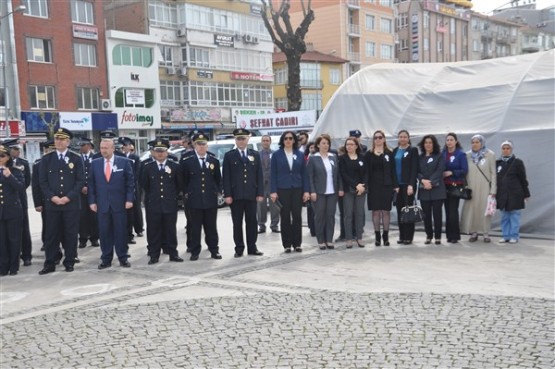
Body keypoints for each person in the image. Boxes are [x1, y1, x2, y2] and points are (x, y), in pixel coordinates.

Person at [38, 128, 85, 274]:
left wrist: (67, 197)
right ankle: (50, 263)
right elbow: (43, 182)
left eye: (62, 139)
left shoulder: (76, 158)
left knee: (70, 234)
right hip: (52, 205)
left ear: (68, 142)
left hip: (70, 204)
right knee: (51, 235)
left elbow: (80, 181)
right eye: (57, 139)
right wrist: (53, 197)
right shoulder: (46, 159)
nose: (58, 141)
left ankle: (69, 261)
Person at [88, 138, 135, 269]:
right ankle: (106, 259)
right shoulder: (95, 163)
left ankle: (123, 257)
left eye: (106, 148)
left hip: (119, 204)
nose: (103, 150)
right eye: (102, 148)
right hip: (102, 204)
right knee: (104, 232)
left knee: (120, 231)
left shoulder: (124, 162)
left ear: (113, 149)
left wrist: (129, 199)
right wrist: (92, 201)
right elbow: (91, 184)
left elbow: (130, 183)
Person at [140, 139, 184, 264]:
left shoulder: (174, 166)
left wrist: (171, 195)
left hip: (170, 203)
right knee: (154, 230)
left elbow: (179, 184)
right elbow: (144, 184)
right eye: (157, 151)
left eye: (162, 151)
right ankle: (154, 255)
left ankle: (173, 254)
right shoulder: (147, 167)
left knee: (170, 229)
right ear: (153, 152)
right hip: (153, 203)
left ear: (167, 152)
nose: (160, 154)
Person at [222, 128, 265, 258]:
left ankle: (252, 247)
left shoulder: (255, 155)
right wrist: (227, 195)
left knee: (252, 222)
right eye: (238, 139)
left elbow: (259, 175)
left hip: (251, 195)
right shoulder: (229, 156)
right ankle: (239, 248)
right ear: (235, 140)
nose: (241, 141)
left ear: (248, 139)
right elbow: (226, 177)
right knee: (237, 223)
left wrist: (260, 193)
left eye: (243, 138)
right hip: (236, 196)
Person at [181, 133, 222, 260]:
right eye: (199, 144)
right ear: (194, 145)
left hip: (210, 199)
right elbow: (183, 180)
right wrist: (187, 193)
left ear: (207, 145)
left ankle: (214, 250)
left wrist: (218, 192)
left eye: (204, 144)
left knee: (211, 226)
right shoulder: (187, 161)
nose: (201, 147)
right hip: (194, 199)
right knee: (195, 227)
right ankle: (195, 251)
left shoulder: (213, 160)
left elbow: (218, 179)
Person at [270, 131, 310, 252]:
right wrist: (273, 191)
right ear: (282, 141)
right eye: (285, 138)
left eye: (290, 138)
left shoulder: (300, 154)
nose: (288, 140)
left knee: (297, 216)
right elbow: (273, 174)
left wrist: (306, 191)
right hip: (283, 189)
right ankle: (287, 244)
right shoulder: (277, 155)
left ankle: (297, 243)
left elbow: (304, 174)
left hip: (297, 188)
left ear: (294, 140)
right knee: (285, 216)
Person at [307, 134, 343, 249]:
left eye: (327, 143)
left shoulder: (333, 157)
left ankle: (329, 239)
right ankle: (321, 240)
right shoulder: (313, 158)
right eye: (323, 143)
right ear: (318, 145)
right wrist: (312, 191)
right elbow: (310, 177)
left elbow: (338, 175)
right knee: (320, 216)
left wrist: (340, 189)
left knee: (330, 216)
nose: (325, 145)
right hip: (319, 192)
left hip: (332, 192)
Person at [460, 135, 497, 243]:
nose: (475, 144)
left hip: (485, 186)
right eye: (473, 142)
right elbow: (464, 172)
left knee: (484, 209)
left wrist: (493, 190)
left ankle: (486, 233)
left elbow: (493, 173)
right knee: (472, 209)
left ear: (482, 143)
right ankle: (474, 232)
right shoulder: (467, 155)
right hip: (471, 186)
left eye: (477, 142)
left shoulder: (490, 154)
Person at [364, 130, 398, 246]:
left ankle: (386, 236)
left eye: (380, 137)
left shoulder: (389, 153)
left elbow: (393, 170)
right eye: (376, 138)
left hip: (386, 185)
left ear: (384, 139)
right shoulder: (369, 154)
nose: (378, 139)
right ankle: (377, 236)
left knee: (386, 211)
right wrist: (365, 184)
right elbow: (366, 171)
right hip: (374, 186)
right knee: (376, 211)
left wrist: (396, 185)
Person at [496, 141, 530, 244]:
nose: (505, 150)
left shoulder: (517, 162)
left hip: (515, 193)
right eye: (504, 148)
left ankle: (514, 236)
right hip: (502, 194)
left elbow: (523, 179)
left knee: (514, 215)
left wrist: (526, 193)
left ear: (511, 150)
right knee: (504, 216)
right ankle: (505, 235)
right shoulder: (498, 163)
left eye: (508, 148)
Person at [4, 140, 32, 266]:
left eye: (18, 149)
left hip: (20, 200)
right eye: (15, 149)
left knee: (24, 230)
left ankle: (26, 255)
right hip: (6, 203)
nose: (18, 151)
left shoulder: (23, 163)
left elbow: (26, 183)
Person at [0, 144, 25, 276]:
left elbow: (21, 187)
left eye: (2, 156)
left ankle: (14, 266)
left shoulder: (15, 171)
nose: (0, 158)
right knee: (1, 241)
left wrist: (9, 176)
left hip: (13, 210)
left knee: (14, 239)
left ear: (7, 157)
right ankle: (3, 267)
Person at [417, 135, 446, 245]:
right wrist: (423, 180)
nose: (428, 144)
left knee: (437, 214)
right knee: (426, 215)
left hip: (437, 190)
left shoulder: (439, 156)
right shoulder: (420, 157)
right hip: (424, 189)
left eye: (430, 142)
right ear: (423, 145)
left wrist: (430, 182)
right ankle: (429, 235)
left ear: (434, 144)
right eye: (426, 143)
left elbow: (440, 170)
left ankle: (438, 236)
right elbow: (417, 171)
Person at [392, 130, 419, 245]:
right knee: (400, 211)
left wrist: (411, 185)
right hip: (398, 186)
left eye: (405, 137)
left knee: (408, 211)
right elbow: (392, 169)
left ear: (408, 138)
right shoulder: (395, 151)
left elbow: (414, 169)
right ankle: (402, 236)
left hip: (408, 186)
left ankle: (409, 237)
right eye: (400, 137)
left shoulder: (413, 150)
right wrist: (395, 185)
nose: (402, 139)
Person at [339, 137, 367, 248]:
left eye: (351, 144)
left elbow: (366, 173)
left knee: (359, 214)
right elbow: (344, 174)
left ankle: (359, 237)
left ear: (356, 146)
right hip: (348, 190)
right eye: (347, 144)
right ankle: (349, 238)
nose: (349, 146)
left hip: (361, 190)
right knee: (348, 214)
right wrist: (356, 185)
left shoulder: (362, 158)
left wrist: (362, 186)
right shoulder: (342, 158)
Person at [442, 132, 468, 244]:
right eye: (447, 140)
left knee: (453, 211)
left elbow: (464, 170)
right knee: (447, 211)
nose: (449, 142)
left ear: (456, 141)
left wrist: (451, 173)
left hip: (455, 185)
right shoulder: (443, 154)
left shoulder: (460, 155)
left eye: (451, 140)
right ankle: (448, 235)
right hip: (443, 186)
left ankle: (455, 235)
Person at [120, 137, 144, 244]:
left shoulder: (135, 157)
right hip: (122, 188)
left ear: (130, 146)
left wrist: (132, 183)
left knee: (136, 210)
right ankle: (127, 233)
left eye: (126, 145)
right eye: (123, 145)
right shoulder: (119, 157)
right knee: (126, 212)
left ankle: (139, 229)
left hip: (134, 187)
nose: (124, 147)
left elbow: (138, 172)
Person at [77, 137, 99, 248]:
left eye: (83, 145)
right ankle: (83, 239)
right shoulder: (77, 158)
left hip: (93, 192)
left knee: (93, 216)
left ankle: (94, 238)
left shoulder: (95, 157)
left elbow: (98, 175)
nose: (81, 147)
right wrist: (81, 187)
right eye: (80, 145)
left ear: (89, 146)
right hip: (80, 192)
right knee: (82, 217)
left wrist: (90, 187)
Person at [257, 135, 280, 234]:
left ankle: (274, 225)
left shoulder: (275, 154)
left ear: (270, 142)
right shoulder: (257, 155)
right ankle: (261, 225)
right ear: (261, 142)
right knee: (261, 206)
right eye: (264, 141)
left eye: (267, 140)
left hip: (272, 184)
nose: (265, 142)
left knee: (274, 206)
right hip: (261, 184)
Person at [304, 142, 316, 237]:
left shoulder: (318, 157)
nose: (312, 149)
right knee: (310, 209)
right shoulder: (305, 158)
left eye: (314, 147)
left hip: (317, 187)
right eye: (310, 147)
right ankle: (312, 228)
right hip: (308, 187)